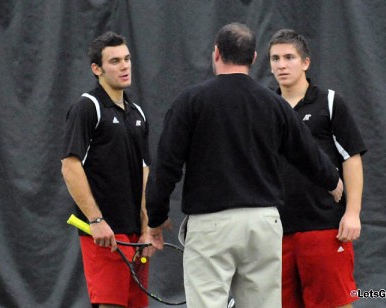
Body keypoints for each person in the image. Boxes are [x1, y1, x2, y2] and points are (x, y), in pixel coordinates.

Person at [145, 22, 344, 308]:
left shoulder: (191, 101)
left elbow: (166, 166)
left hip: (210, 224)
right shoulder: (274, 104)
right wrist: (333, 182)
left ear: (216, 54)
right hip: (264, 222)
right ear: (253, 58)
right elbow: (307, 151)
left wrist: (155, 217)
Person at [268, 29, 367, 308]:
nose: (281, 65)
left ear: (306, 62)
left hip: (325, 228)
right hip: (276, 233)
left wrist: (352, 213)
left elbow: (352, 158)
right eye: (275, 58)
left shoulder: (330, 102)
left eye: (289, 57)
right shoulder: (266, 108)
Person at [61, 31, 152, 308]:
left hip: (137, 236)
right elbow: (70, 166)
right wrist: (96, 221)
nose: (124, 66)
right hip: (105, 234)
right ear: (96, 69)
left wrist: (147, 229)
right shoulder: (87, 107)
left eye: (126, 59)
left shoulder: (137, 113)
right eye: (114, 61)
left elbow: (145, 172)